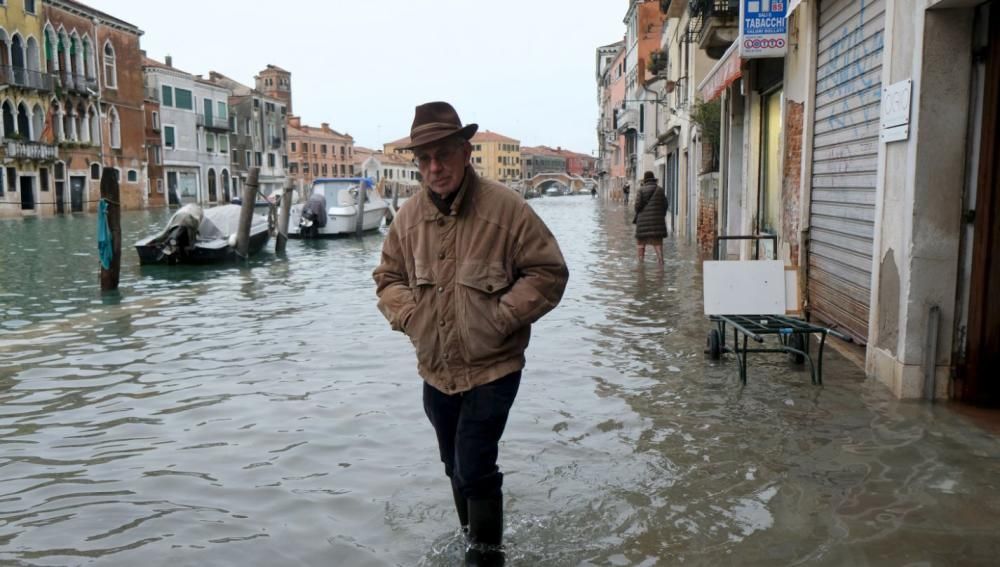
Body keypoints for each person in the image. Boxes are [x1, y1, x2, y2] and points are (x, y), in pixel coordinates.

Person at [373, 101, 569, 566]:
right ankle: (473, 543)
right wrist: (411, 317)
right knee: (452, 466)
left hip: (493, 366)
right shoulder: (407, 218)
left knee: (475, 465)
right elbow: (388, 279)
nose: (434, 168)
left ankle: (487, 557)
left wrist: (499, 318)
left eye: (443, 155)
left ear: (466, 152)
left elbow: (548, 272)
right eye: (425, 159)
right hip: (436, 369)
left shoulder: (507, 210)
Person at [634, 170, 668, 264]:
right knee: (658, 244)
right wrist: (661, 215)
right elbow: (665, 205)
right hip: (657, 223)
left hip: (642, 223)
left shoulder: (640, 190)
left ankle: (641, 265)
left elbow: (637, 207)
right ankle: (661, 264)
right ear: (653, 179)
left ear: (645, 180)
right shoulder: (660, 190)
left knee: (641, 244)